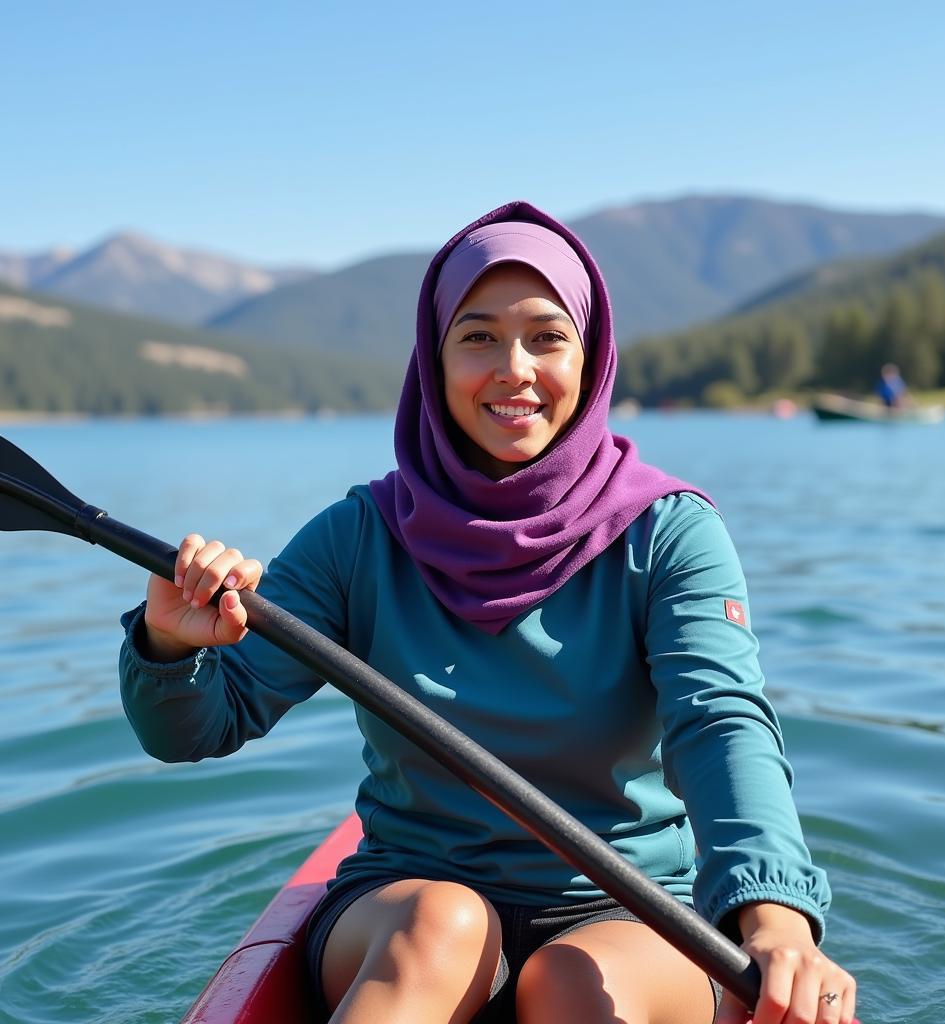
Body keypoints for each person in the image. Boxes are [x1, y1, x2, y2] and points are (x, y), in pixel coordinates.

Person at [119, 202, 856, 1024]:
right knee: (444, 927)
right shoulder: (357, 537)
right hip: (403, 904)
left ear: (590, 354)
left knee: (571, 982)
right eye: (477, 337)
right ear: (434, 363)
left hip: (630, 910)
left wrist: (775, 917)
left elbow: (722, 723)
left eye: (547, 336)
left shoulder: (671, 533)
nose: (514, 368)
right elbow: (191, 730)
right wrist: (166, 646)